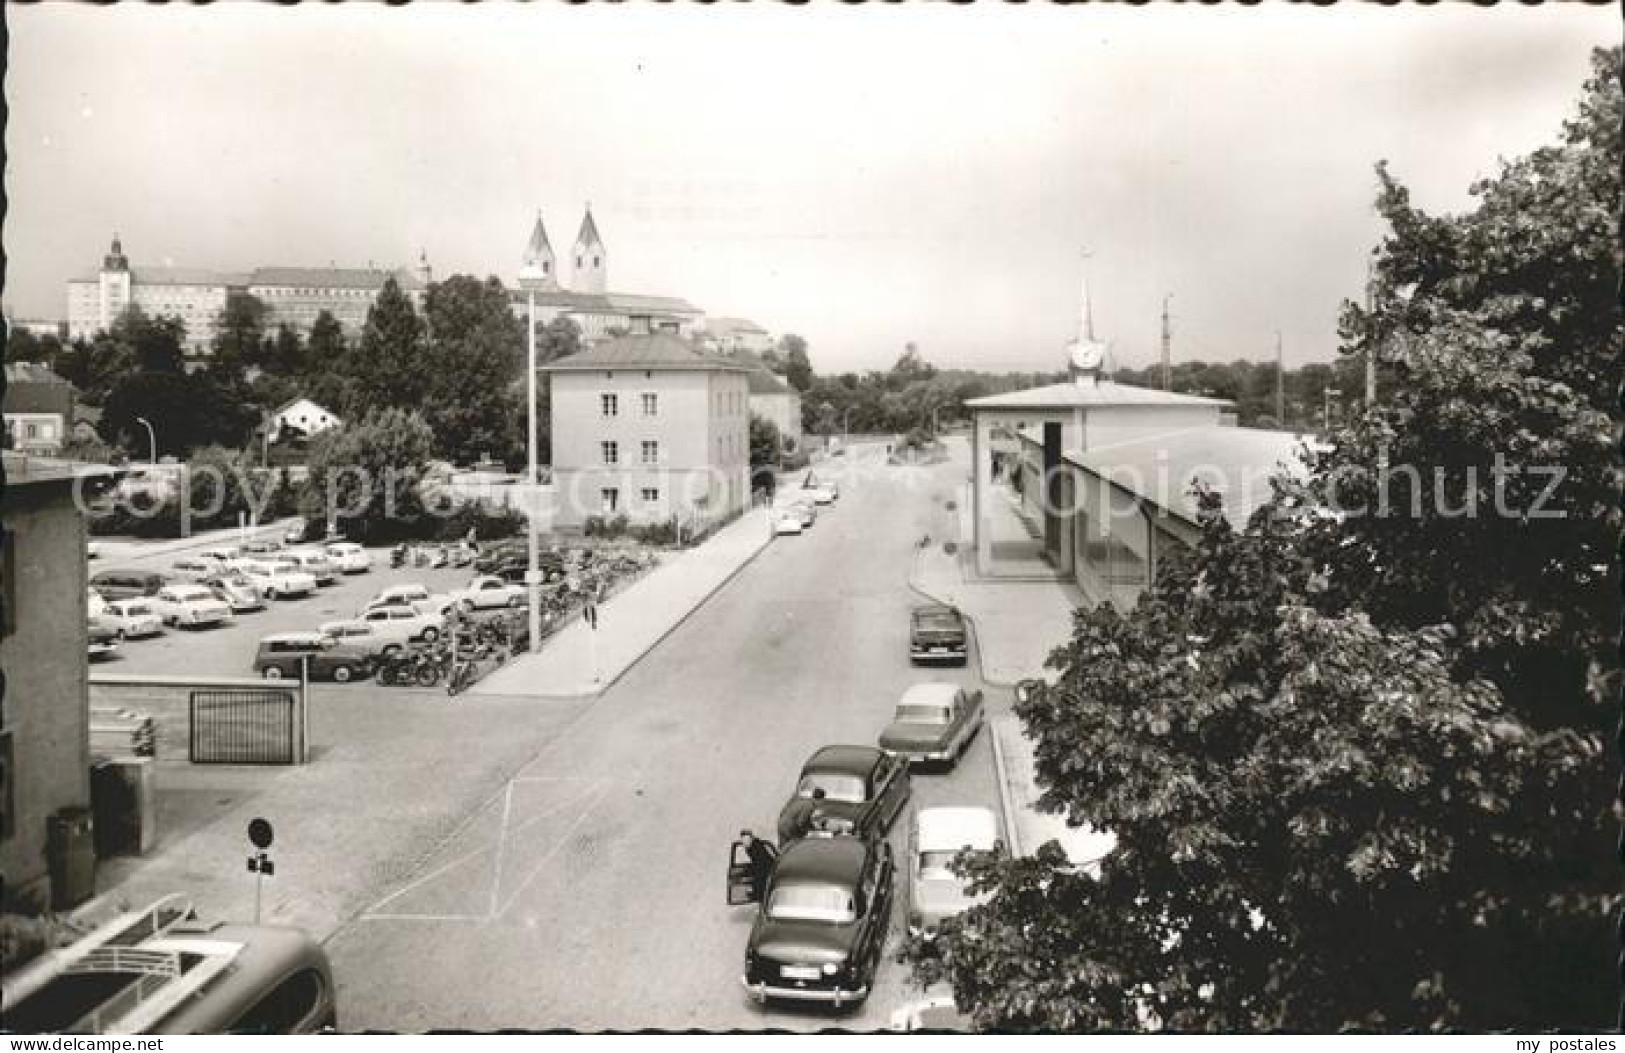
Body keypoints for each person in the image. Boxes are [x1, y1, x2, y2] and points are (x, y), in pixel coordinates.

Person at [739, 829, 779, 899]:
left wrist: (748, 870)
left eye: (747, 839)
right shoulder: (752, 846)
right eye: (743, 840)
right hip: (766, 868)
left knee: (759, 876)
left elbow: (760, 863)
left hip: (767, 868)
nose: (745, 842)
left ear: (751, 838)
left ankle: (758, 894)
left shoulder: (756, 846)